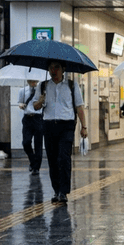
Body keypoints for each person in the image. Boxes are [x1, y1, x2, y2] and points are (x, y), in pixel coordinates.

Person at [33, 60, 87, 204]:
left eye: (56, 67)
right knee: (52, 159)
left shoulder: (71, 85)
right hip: (49, 125)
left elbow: (79, 107)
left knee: (63, 158)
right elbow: (35, 106)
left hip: (66, 125)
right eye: (51, 68)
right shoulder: (42, 86)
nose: (53, 71)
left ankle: (64, 191)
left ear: (63, 69)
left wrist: (84, 126)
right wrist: (40, 101)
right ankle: (56, 190)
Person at [18, 79, 43, 175]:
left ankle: (36, 168)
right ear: (28, 81)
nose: (34, 82)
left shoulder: (41, 91)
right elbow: (19, 102)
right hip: (27, 118)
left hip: (38, 118)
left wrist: (42, 100)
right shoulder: (23, 91)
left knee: (38, 144)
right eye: (31, 81)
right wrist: (21, 105)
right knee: (26, 142)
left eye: (35, 81)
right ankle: (33, 161)